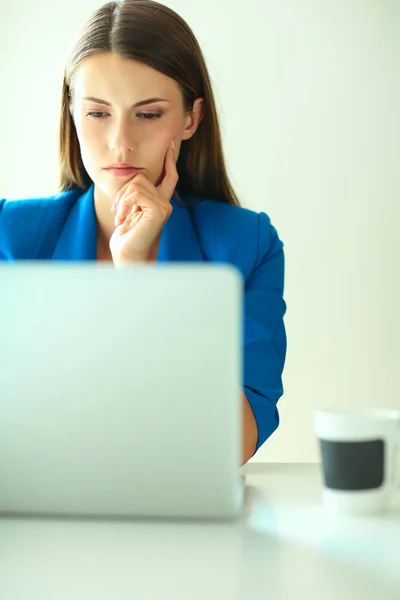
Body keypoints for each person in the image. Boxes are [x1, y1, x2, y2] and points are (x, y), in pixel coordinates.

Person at [0, 0, 287, 465]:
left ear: (192, 118)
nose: (121, 142)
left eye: (148, 114)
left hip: (184, 523)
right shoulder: (9, 235)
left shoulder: (247, 245)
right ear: (71, 114)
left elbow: (233, 444)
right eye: (97, 114)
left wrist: (138, 279)